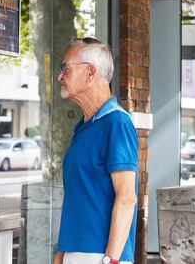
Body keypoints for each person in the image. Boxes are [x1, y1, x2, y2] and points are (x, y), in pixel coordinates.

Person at [54, 38, 138, 264]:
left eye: (65, 68)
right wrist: (61, 256)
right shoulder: (84, 128)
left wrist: (111, 261)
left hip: (100, 256)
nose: (60, 76)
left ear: (90, 73)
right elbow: (77, 200)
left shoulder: (117, 123)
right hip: (75, 253)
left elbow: (127, 198)